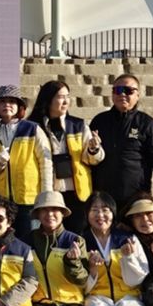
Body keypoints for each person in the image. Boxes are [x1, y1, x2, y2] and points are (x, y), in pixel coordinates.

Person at [26, 81, 103, 233]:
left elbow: (92, 159)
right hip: (47, 192)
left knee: (76, 234)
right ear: (48, 99)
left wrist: (93, 149)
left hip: (76, 193)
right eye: (61, 97)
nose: (66, 101)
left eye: (68, 96)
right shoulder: (32, 126)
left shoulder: (78, 125)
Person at [90, 74, 153, 209]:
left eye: (128, 91)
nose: (122, 94)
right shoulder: (99, 121)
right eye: (118, 90)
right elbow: (88, 157)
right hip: (104, 199)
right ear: (112, 94)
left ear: (137, 95)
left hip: (136, 198)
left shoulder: (146, 124)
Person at [0, 85, 52, 239]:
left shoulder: (32, 129)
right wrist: (0, 161)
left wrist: (46, 195)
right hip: (3, 202)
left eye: (11, 101)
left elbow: (46, 162)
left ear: (19, 106)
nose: (7, 105)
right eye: (2, 102)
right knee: (6, 243)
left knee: (30, 241)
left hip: (29, 199)